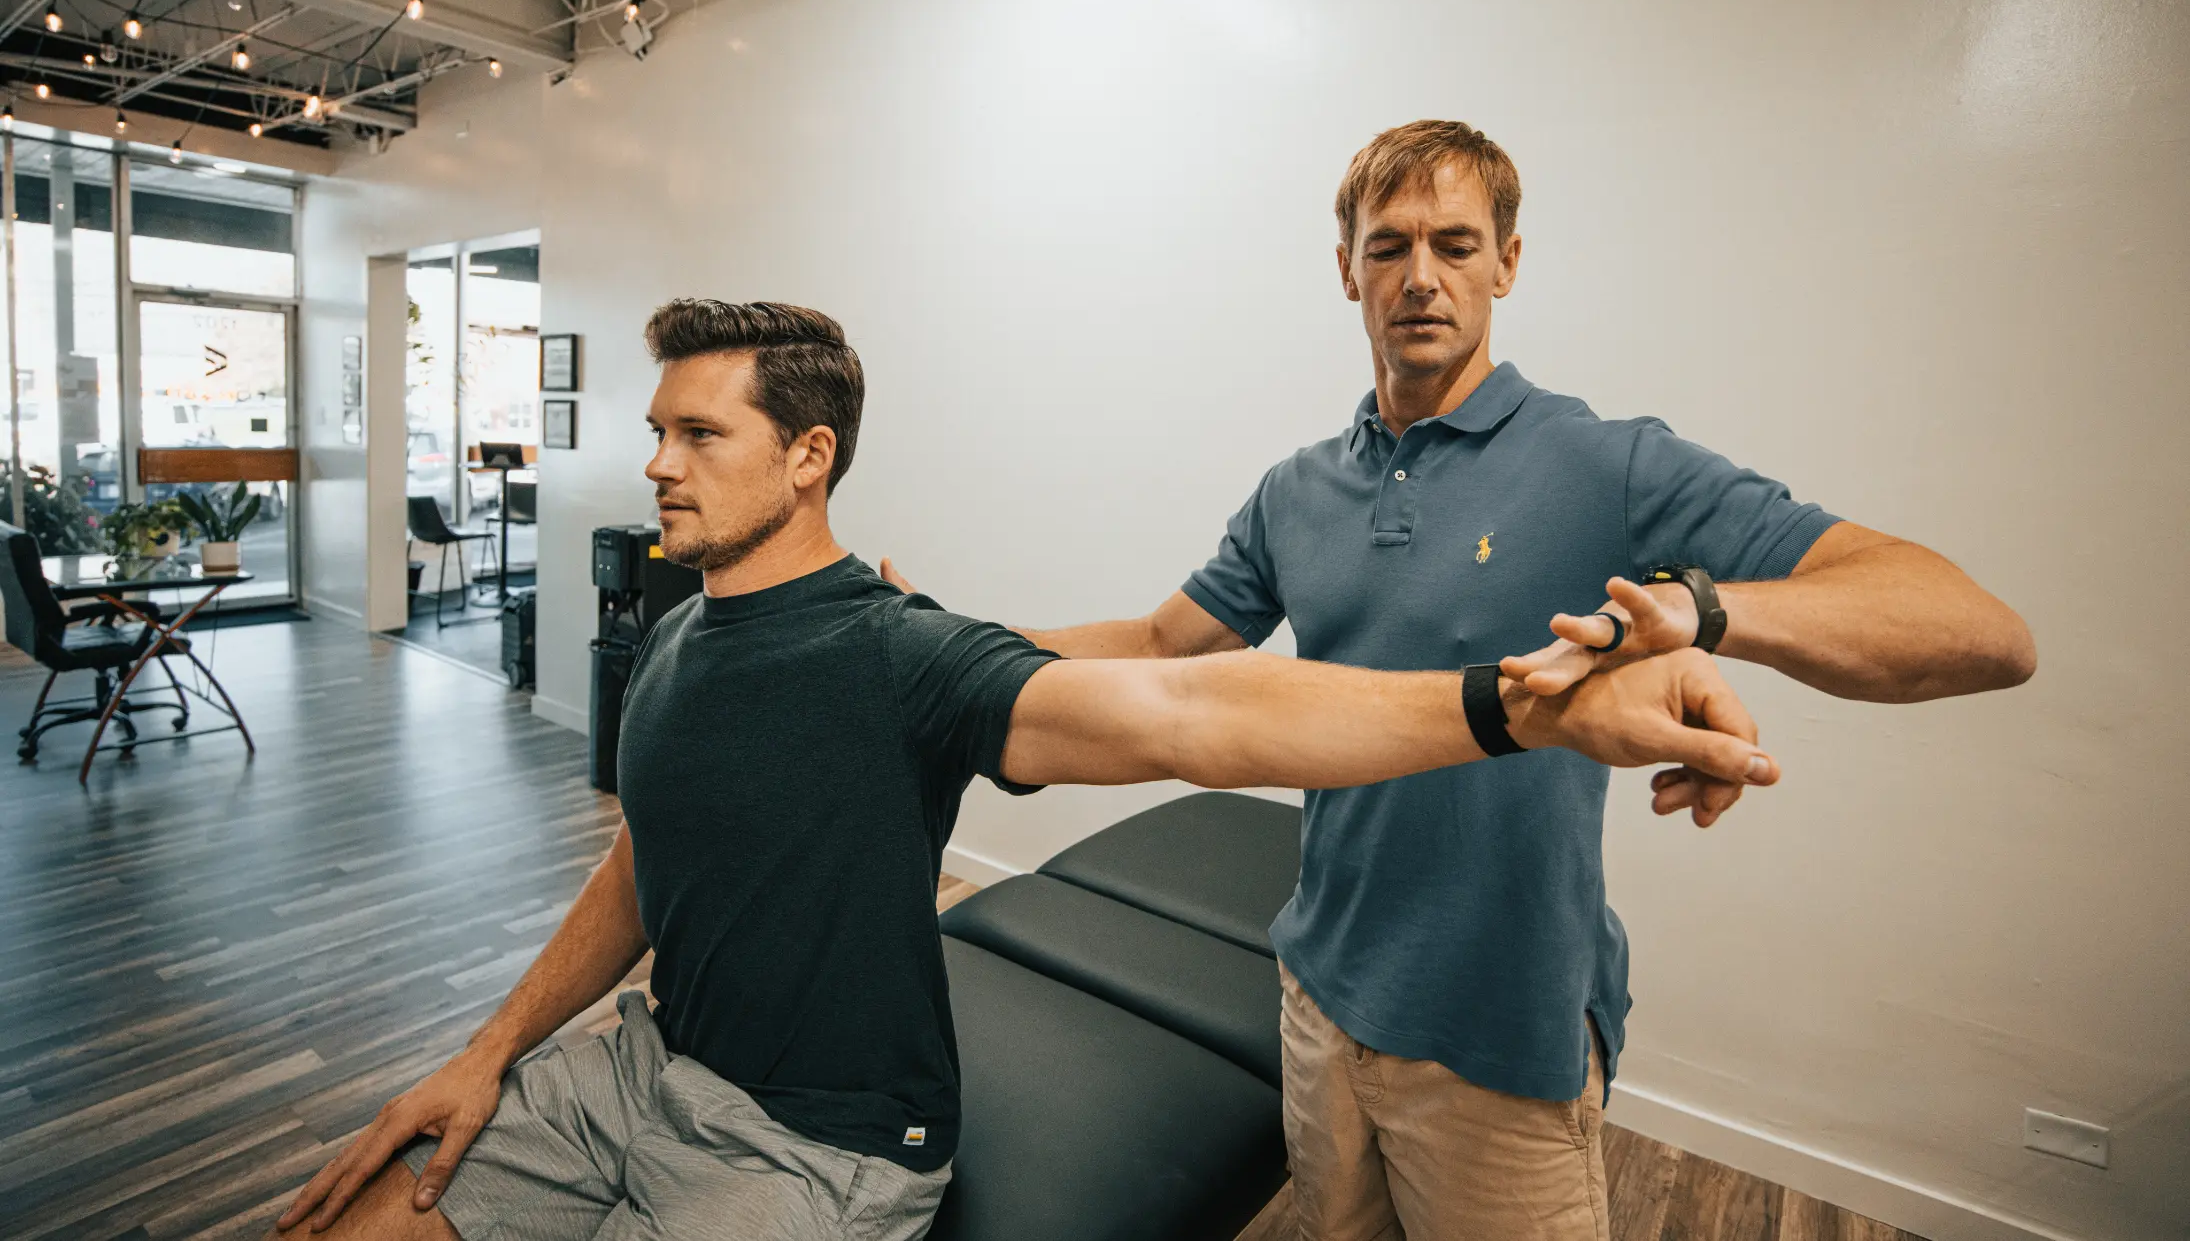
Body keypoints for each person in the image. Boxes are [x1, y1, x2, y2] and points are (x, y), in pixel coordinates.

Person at [272, 299, 1779, 1241]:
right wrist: (489, 1049)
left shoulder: (900, 654)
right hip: (635, 1072)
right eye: (656, 431)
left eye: (697, 434)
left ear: (808, 456)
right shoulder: (676, 643)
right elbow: (642, 864)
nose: (657, 463)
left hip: (812, 1155)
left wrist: (1519, 708)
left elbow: (1190, 708)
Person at [886, 120, 2037, 1241]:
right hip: (1317, 997)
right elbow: (1156, 645)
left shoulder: (1605, 464)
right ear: (1348, 272)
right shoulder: (1296, 492)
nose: (1421, 276)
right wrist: (954, 641)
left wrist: (1704, 609)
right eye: (1388, 246)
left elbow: (1976, 629)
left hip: (1501, 1041)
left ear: (1507, 263)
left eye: (1455, 244)